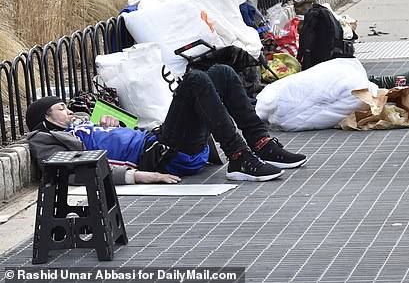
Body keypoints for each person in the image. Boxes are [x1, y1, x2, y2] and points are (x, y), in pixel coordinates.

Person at [27, 65, 307, 184]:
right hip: (162, 155)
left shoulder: (81, 125)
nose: (69, 111)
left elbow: (126, 133)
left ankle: (260, 143)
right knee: (195, 80)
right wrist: (140, 177)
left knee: (221, 72)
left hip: (162, 139)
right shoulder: (46, 140)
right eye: (61, 108)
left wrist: (115, 124)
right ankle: (238, 156)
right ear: (48, 119)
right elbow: (74, 172)